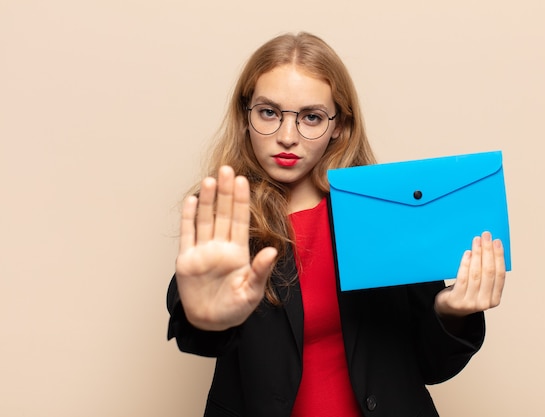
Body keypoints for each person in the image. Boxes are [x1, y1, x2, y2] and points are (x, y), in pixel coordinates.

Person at [166, 32, 506, 417]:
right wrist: (204, 318)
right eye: (268, 112)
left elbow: (431, 365)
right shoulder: (223, 207)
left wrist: (449, 312)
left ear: (339, 125)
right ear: (245, 116)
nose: (287, 137)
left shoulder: (381, 206)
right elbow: (198, 322)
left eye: (311, 117)